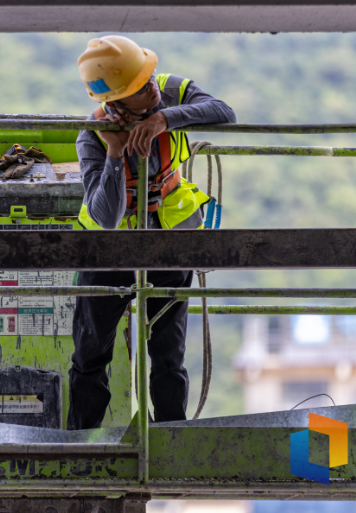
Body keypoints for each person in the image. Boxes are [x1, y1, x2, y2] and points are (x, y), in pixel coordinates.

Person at [67, 35, 236, 429]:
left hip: (168, 238)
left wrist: (164, 118)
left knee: (168, 352)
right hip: (109, 250)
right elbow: (106, 216)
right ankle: (80, 446)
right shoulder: (91, 135)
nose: (153, 89)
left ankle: (170, 437)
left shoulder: (172, 92)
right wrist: (114, 150)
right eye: (141, 89)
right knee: (91, 354)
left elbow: (224, 111)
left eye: (149, 77)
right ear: (115, 102)